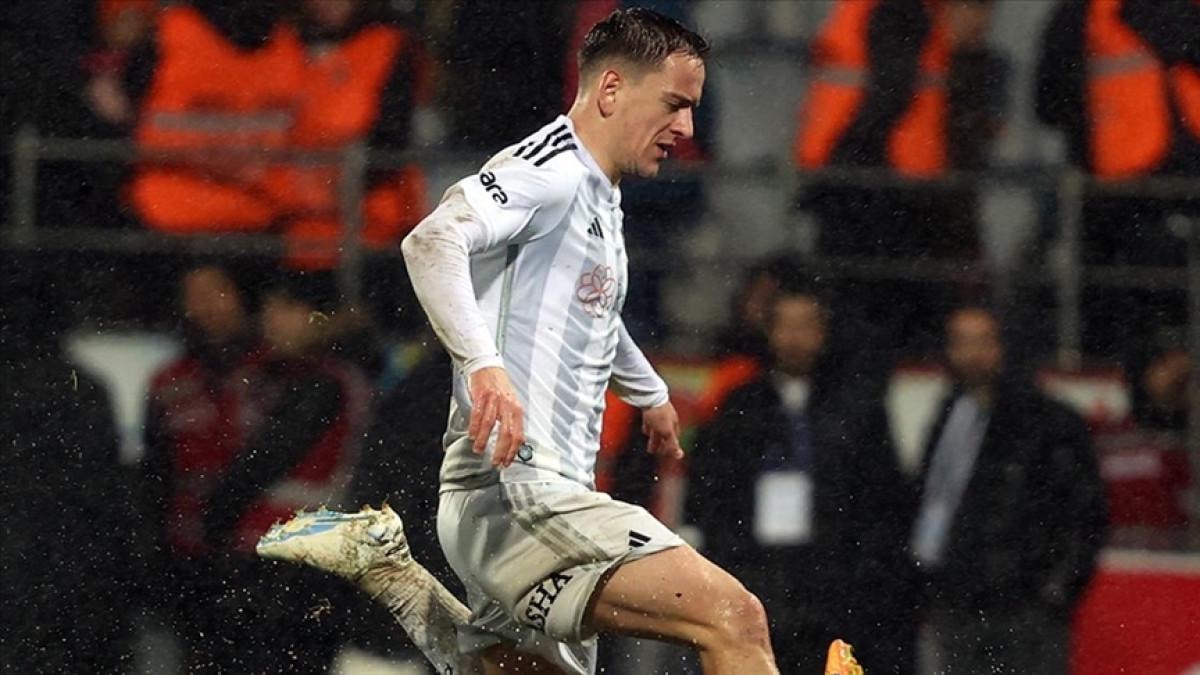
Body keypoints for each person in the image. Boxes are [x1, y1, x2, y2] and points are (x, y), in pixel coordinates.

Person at [257, 9, 820, 675]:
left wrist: (649, 394)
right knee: (734, 616)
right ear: (611, 89)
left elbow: (595, 314)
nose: (688, 129)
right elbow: (431, 240)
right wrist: (482, 364)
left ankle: (388, 570)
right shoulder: (548, 169)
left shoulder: (600, 194)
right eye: (674, 104)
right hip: (521, 495)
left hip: (526, 499)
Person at [688, 277, 916, 674]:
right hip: (757, 576)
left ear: (823, 333)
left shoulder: (855, 407)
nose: (794, 338)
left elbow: (880, 499)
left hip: (831, 584)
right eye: (785, 326)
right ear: (768, 332)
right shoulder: (741, 405)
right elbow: (713, 492)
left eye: (806, 326)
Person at [909, 307, 1108, 674]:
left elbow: (1086, 516)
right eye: (961, 342)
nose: (971, 354)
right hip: (955, 601)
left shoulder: (1049, 422)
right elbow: (932, 500)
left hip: (1023, 609)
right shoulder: (951, 413)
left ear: (1006, 346)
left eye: (983, 341)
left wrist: (1053, 594)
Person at [1035, 0, 1200, 358]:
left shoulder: (1080, 15)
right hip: (1158, 179)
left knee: (1114, 294)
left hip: (1112, 183)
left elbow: (1049, 101)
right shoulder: (1168, 13)